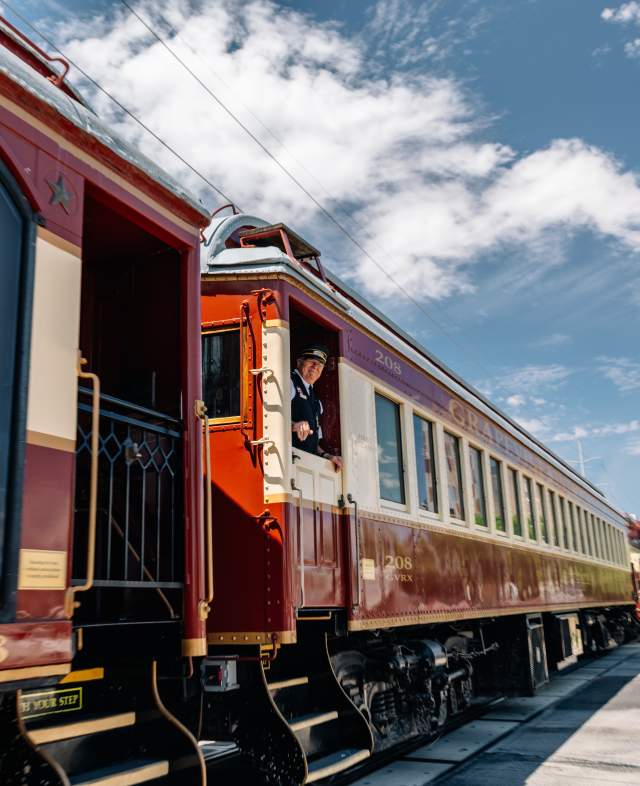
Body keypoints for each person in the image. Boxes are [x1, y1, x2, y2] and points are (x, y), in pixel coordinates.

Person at [290, 343, 343, 471]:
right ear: (299, 362)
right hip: (290, 462)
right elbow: (269, 419)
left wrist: (327, 455)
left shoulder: (317, 403)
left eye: (319, 365)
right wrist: (293, 425)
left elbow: (314, 442)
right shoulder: (289, 382)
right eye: (311, 361)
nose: (315, 367)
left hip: (306, 466)